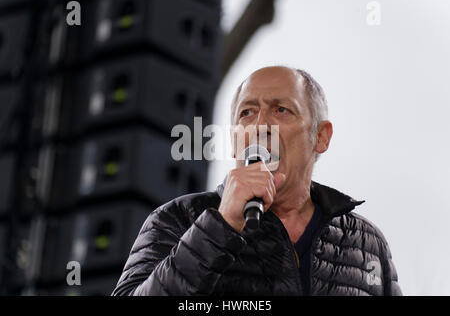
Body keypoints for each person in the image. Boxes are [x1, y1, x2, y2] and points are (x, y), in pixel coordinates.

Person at [111, 66, 402, 296]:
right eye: (247, 112)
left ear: (321, 136)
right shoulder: (177, 220)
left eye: (281, 110)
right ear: (235, 141)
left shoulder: (365, 242)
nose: (261, 125)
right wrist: (219, 227)